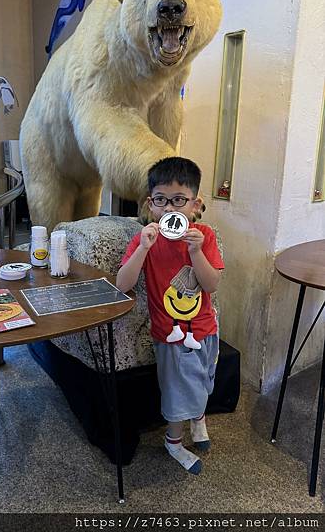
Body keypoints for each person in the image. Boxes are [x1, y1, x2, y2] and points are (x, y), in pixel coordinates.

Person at [116, 157, 224, 475]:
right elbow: (123, 284)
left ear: (195, 204)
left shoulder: (204, 236)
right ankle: (174, 441)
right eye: (162, 200)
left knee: (203, 381)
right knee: (178, 390)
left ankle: (198, 420)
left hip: (206, 329)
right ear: (151, 205)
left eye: (179, 200)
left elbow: (211, 284)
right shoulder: (145, 239)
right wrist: (143, 249)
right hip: (171, 334)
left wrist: (196, 252)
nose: (170, 209)